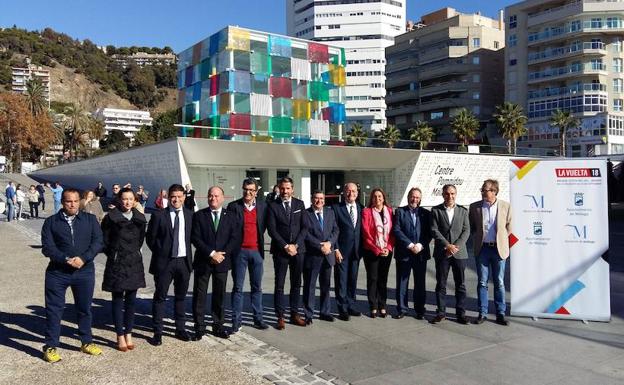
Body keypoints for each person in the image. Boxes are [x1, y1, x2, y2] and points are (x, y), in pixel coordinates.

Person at [41, 188, 104, 363]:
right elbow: (47, 247)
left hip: (84, 272)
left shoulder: (90, 220)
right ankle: (51, 345)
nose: (73, 204)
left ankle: (86, 341)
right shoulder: (51, 222)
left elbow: (98, 242)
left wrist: (84, 258)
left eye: (76, 201)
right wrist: (65, 259)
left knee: (84, 309)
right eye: (69, 201)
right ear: (62, 202)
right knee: (54, 310)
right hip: (58, 273)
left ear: (80, 201)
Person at [146, 184, 194, 345]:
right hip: (164, 263)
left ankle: (180, 329)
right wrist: (162, 252)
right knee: (160, 297)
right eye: (173, 196)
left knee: (180, 297)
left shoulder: (189, 215)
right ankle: (158, 332)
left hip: (183, 262)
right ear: (168, 197)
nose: (176, 199)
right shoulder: (159, 215)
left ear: (184, 197)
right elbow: (150, 239)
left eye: (180, 196)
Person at [191, 186, 241, 340]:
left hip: (222, 262)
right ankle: (199, 326)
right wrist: (212, 253)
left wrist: (221, 255)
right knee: (200, 294)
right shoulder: (199, 215)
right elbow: (195, 237)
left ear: (223, 198)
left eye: (217, 196)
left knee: (219, 295)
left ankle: (218, 325)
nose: (213, 198)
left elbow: (235, 238)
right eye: (210, 195)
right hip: (204, 261)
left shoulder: (231, 216)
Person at [101, 188, 147, 351]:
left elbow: (140, 240)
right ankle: (119, 335)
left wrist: (132, 252)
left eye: (130, 199)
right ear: (119, 200)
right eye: (124, 199)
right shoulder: (110, 218)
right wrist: (115, 253)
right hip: (117, 262)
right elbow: (105, 240)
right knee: (118, 299)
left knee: (132, 301)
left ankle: (129, 332)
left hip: (133, 262)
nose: (127, 202)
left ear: (135, 200)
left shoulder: (140, 218)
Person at [227, 178, 269, 332]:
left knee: (256, 287)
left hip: (257, 252)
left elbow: (264, 227)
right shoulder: (233, 207)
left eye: (251, 190)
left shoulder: (263, 207)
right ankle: (236, 321)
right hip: (240, 253)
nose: (248, 192)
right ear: (242, 189)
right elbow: (229, 229)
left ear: (256, 192)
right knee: (238, 288)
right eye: (246, 189)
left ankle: (258, 319)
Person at [469, 179, 512, 326]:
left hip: (499, 249)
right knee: (482, 282)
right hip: (483, 249)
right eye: (482, 189)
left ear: (494, 191)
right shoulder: (475, 207)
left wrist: (501, 240)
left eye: (485, 190)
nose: (482, 192)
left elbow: (509, 227)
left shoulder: (505, 206)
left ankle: (500, 313)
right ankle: (483, 313)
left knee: (499, 282)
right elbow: (472, 227)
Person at [267, 176, 308, 330]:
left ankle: (295, 313)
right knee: (280, 284)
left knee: (297, 283)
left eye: (288, 188)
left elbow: (305, 227)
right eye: (283, 188)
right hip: (281, 251)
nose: (285, 191)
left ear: (293, 189)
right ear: (279, 188)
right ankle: (280, 316)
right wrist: (285, 246)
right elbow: (272, 230)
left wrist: (295, 245)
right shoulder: (273, 206)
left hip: (298, 251)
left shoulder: (300, 204)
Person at [430, 184, 470, 325]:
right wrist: (447, 245)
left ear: (456, 194)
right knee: (441, 284)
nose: (450, 196)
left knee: (460, 285)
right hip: (442, 252)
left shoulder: (463, 211)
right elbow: (434, 230)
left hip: (459, 253)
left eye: (452, 193)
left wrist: (455, 246)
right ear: (443, 195)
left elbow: (466, 231)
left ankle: (461, 314)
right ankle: (441, 312)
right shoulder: (435, 211)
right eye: (447, 194)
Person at [392, 187, 432, 319]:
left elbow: (428, 233)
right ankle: (402, 308)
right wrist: (409, 245)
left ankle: (420, 309)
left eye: (417, 197)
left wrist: (420, 245)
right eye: (412, 196)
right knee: (402, 282)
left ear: (420, 199)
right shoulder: (400, 212)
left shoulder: (426, 213)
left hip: (420, 253)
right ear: (408, 197)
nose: (414, 199)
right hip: (404, 252)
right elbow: (397, 230)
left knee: (420, 283)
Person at [303, 190, 338, 324]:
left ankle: (325, 312)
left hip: (328, 255)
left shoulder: (330, 212)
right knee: (310, 286)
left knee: (325, 286)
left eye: (322, 199)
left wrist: (329, 243)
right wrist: (320, 246)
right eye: (316, 198)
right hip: (313, 255)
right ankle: (308, 314)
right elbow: (305, 234)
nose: (319, 201)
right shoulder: (306, 214)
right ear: (312, 199)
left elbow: (336, 230)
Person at [332, 182, 364, 321]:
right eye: (348, 191)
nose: (351, 194)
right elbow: (333, 230)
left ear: (357, 193)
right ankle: (342, 308)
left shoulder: (362, 208)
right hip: (342, 251)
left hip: (356, 252)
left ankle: (351, 305)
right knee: (341, 281)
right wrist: (336, 249)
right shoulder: (336, 208)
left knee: (352, 280)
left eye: (354, 191)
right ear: (344, 192)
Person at [361, 188, 395, 318]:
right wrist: (377, 248)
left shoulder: (390, 212)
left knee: (383, 279)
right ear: (371, 199)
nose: (377, 199)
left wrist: (388, 247)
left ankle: (382, 305)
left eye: (380, 196)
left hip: (387, 250)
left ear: (383, 197)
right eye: (375, 196)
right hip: (371, 251)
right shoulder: (367, 212)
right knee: (373, 278)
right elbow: (366, 233)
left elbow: (393, 233)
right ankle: (373, 306)